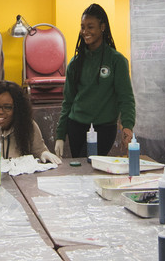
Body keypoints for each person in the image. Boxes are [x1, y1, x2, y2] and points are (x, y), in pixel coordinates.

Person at [54, 3, 136, 158]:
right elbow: (68, 102)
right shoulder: (75, 63)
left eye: (90, 27)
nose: (85, 32)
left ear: (102, 27)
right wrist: (60, 135)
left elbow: (126, 98)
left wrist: (127, 127)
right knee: (81, 173)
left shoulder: (116, 61)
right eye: (82, 27)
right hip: (76, 126)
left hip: (104, 128)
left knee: (90, 167)